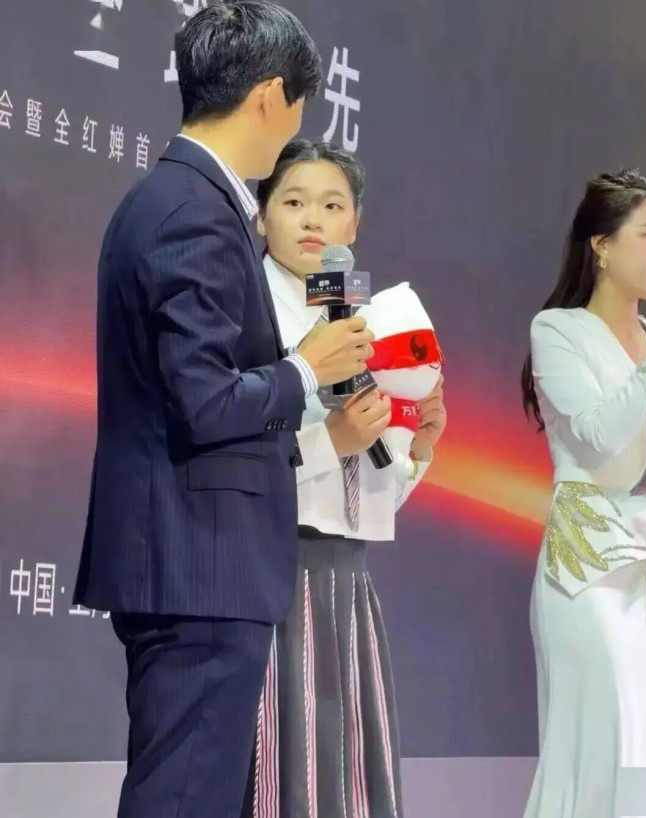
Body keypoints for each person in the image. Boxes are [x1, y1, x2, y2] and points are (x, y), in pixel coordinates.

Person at [72, 7, 375, 818]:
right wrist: (306, 368)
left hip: (189, 557)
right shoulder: (195, 209)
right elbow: (205, 400)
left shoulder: (179, 197)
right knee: (184, 796)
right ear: (272, 96)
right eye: (302, 102)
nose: (299, 122)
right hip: (198, 560)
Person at [245, 139, 447, 818]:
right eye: (293, 201)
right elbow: (230, 458)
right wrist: (331, 440)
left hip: (346, 581)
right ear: (261, 215)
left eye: (333, 206)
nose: (313, 219)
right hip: (267, 573)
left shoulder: (365, 322)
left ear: (354, 225)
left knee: (348, 777)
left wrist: (420, 445)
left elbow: (370, 489)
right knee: (278, 776)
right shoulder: (244, 310)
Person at [521, 169, 646, 817]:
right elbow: (599, 435)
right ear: (602, 245)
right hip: (590, 564)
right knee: (603, 748)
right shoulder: (557, 330)